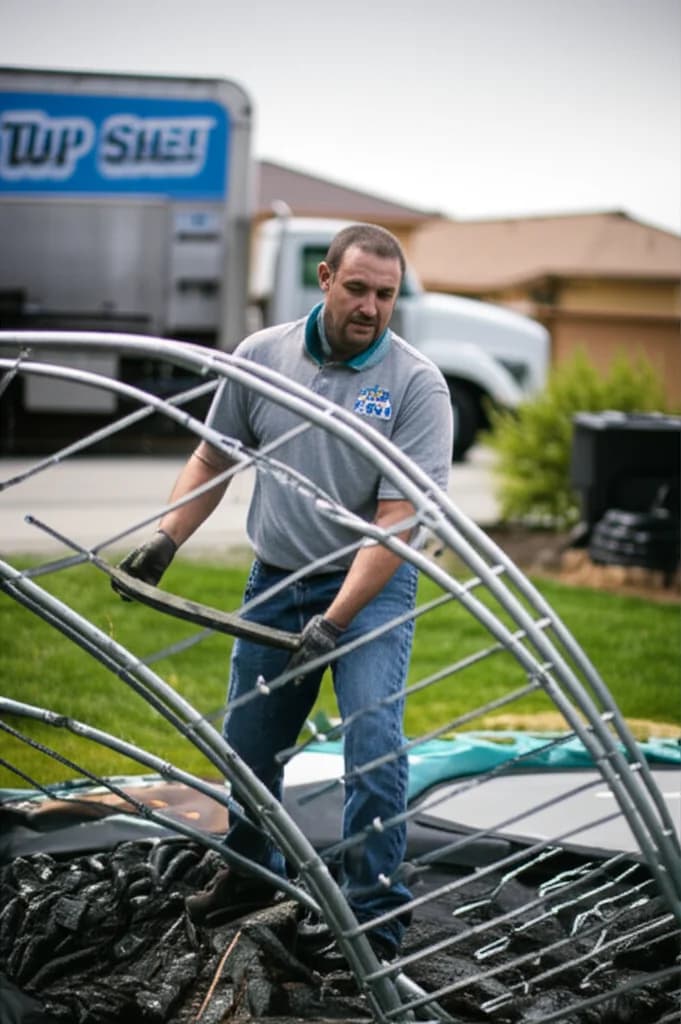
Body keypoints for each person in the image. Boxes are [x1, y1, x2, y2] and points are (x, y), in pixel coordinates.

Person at [117, 223, 453, 959]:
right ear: (326, 279)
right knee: (249, 744)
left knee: (372, 744)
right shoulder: (262, 357)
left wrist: (335, 619)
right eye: (357, 288)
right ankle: (250, 873)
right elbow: (213, 459)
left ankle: (374, 921)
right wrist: (166, 539)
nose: (371, 308)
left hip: (370, 587)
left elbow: (397, 523)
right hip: (277, 576)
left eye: (386, 295)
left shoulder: (415, 384)